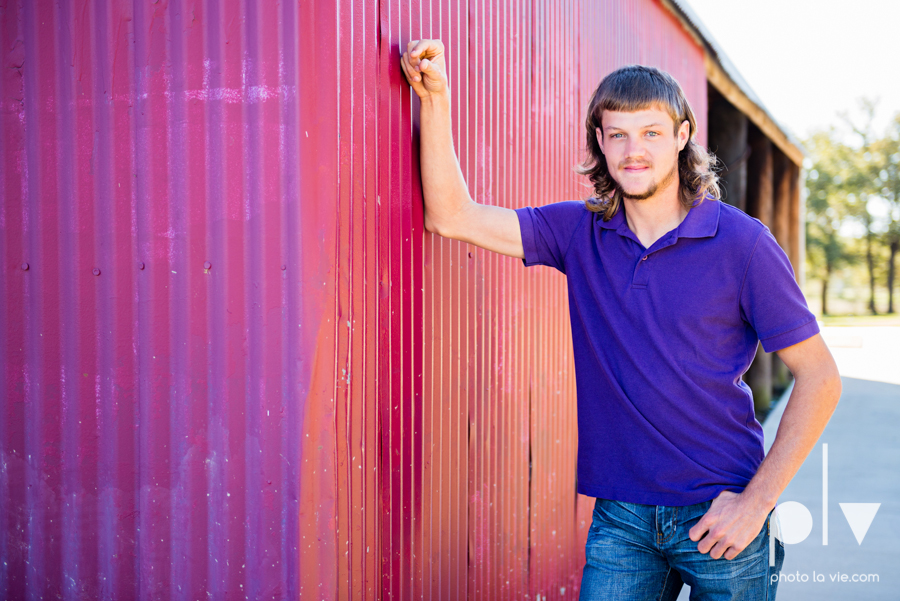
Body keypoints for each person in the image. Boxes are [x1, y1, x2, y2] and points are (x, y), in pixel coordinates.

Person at [400, 39, 841, 601]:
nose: (635, 150)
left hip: (723, 514)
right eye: (618, 134)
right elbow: (450, 215)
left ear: (682, 138)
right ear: (600, 144)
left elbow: (821, 377)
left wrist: (756, 503)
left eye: (652, 132)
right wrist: (435, 100)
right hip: (622, 520)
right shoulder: (579, 232)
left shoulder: (742, 243)